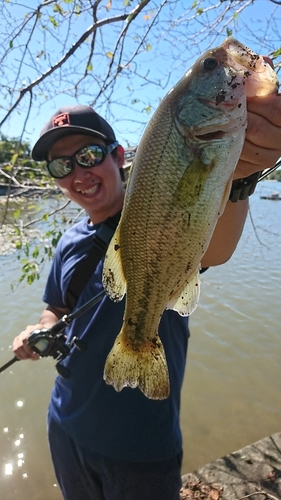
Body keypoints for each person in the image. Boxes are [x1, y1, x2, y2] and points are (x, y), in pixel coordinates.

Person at [13, 94, 281, 500]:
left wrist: (238, 176)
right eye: (61, 166)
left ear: (118, 155)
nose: (77, 173)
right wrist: (41, 328)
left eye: (87, 155)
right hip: (66, 425)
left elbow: (215, 251)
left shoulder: (162, 211)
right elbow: (56, 307)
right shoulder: (69, 242)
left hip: (141, 447)